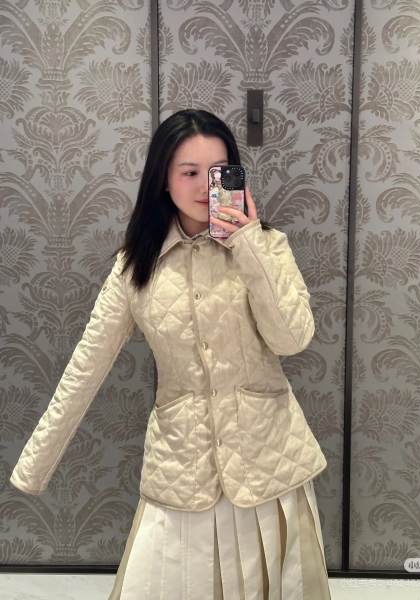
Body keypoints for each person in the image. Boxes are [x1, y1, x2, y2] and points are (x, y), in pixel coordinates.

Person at [10, 109, 331, 600]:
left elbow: (292, 339)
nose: (205, 185)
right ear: (163, 178)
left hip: (267, 459)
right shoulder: (135, 266)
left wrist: (246, 243)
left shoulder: (267, 245)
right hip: (182, 464)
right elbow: (87, 363)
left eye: (218, 171)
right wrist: (34, 465)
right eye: (189, 172)